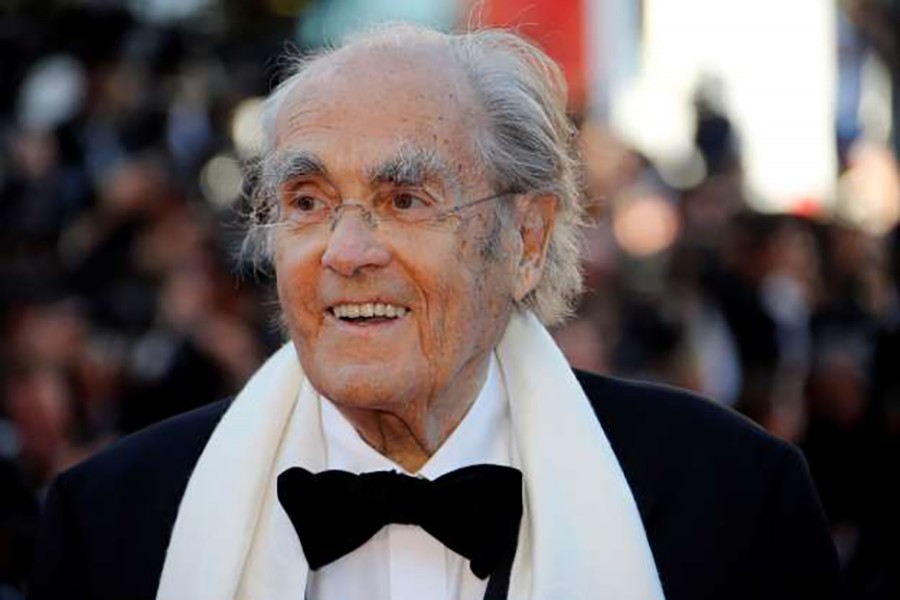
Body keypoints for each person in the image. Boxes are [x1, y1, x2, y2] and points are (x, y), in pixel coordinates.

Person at [28, 24, 839, 600]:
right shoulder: (112, 522)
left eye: (405, 200)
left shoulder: (734, 501)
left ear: (527, 240)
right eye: (307, 201)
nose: (346, 251)